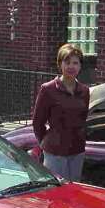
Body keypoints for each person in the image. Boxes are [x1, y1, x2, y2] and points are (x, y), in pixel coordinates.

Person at [32, 43, 89, 181]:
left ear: (80, 66)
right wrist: (46, 143)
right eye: (67, 62)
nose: (71, 67)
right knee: (56, 193)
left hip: (77, 150)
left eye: (75, 63)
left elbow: (83, 119)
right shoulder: (48, 89)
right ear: (60, 64)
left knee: (74, 191)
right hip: (54, 151)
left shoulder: (84, 90)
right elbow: (37, 122)